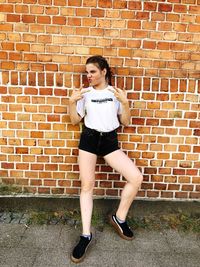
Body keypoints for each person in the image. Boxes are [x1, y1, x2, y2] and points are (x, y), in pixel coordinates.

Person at [69, 55, 143, 263]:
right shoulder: (85, 94)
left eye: (92, 72)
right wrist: (70, 103)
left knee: (136, 178)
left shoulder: (115, 94)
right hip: (89, 140)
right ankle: (86, 235)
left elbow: (126, 122)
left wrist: (125, 103)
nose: (88, 76)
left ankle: (118, 218)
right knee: (87, 186)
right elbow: (75, 120)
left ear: (104, 72)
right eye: (86, 72)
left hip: (110, 142)